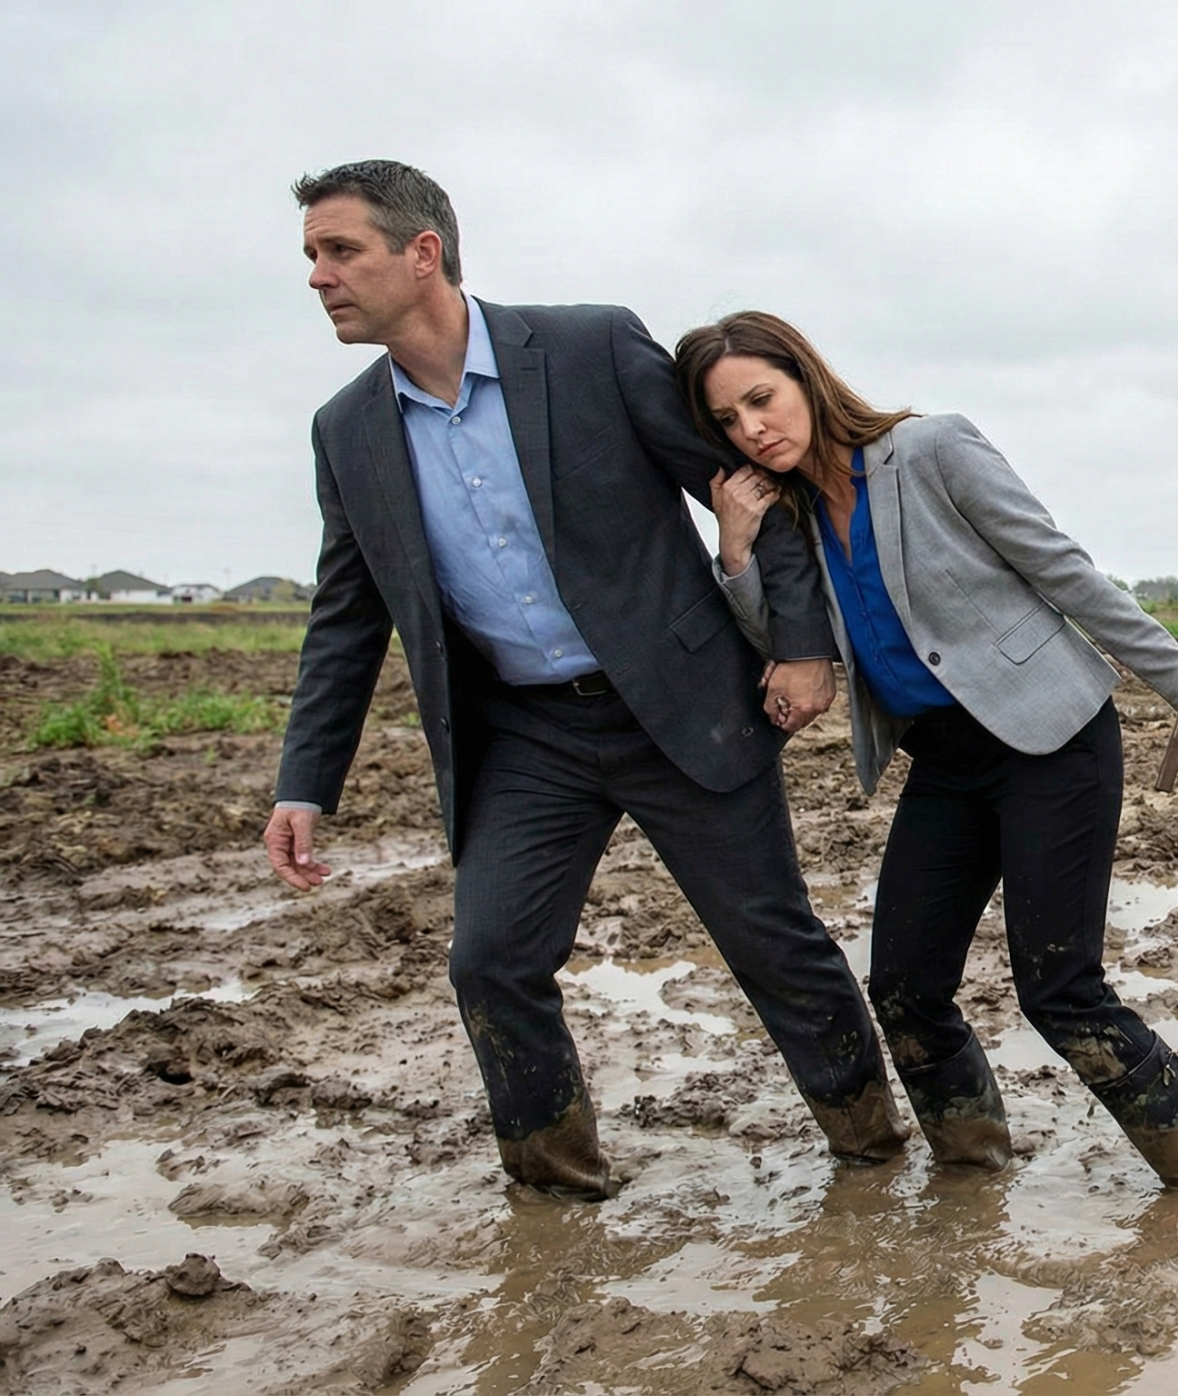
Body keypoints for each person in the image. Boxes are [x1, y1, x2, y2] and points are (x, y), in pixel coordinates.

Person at [264, 161, 904, 1200]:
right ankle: (554, 1190)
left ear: (421, 252)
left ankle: (870, 1149)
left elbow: (744, 485)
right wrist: (305, 782)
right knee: (491, 961)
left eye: (339, 251)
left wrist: (800, 642)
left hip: (680, 707)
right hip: (523, 737)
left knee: (771, 942)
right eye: (311, 257)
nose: (318, 277)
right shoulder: (347, 430)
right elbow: (346, 614)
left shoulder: (589, 347)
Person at [673, 311, 1178, 1188]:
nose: (753, 428)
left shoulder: (932, 450)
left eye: (762, 399)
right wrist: (737, 546)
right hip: (943, 763)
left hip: (1051, 740)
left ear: (807, 380)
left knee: (1060, 990)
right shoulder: (788, 516)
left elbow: (1058, 565)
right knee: (903, 986)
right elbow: (796, 648)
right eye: (728, 420)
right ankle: (970, 1174)